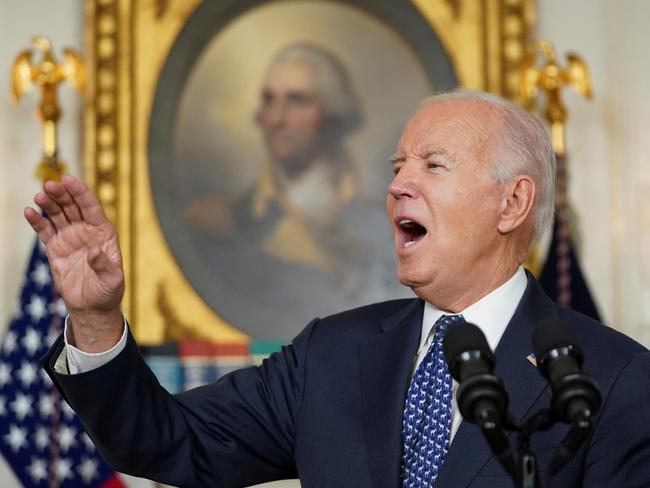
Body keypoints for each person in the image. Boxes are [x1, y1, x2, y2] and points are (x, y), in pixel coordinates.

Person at [28, 90, 650, 487]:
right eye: (397, 167)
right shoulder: (332, 353)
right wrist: (95, 317)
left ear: (512, 203)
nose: (399, 185)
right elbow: (162, 441)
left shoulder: (616, 379)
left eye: (432, 165)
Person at [182, 42, 407, 340]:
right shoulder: (219, 223)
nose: (275, 119)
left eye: (297, 101)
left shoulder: (387, 219)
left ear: (334, 115)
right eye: (268, 100)